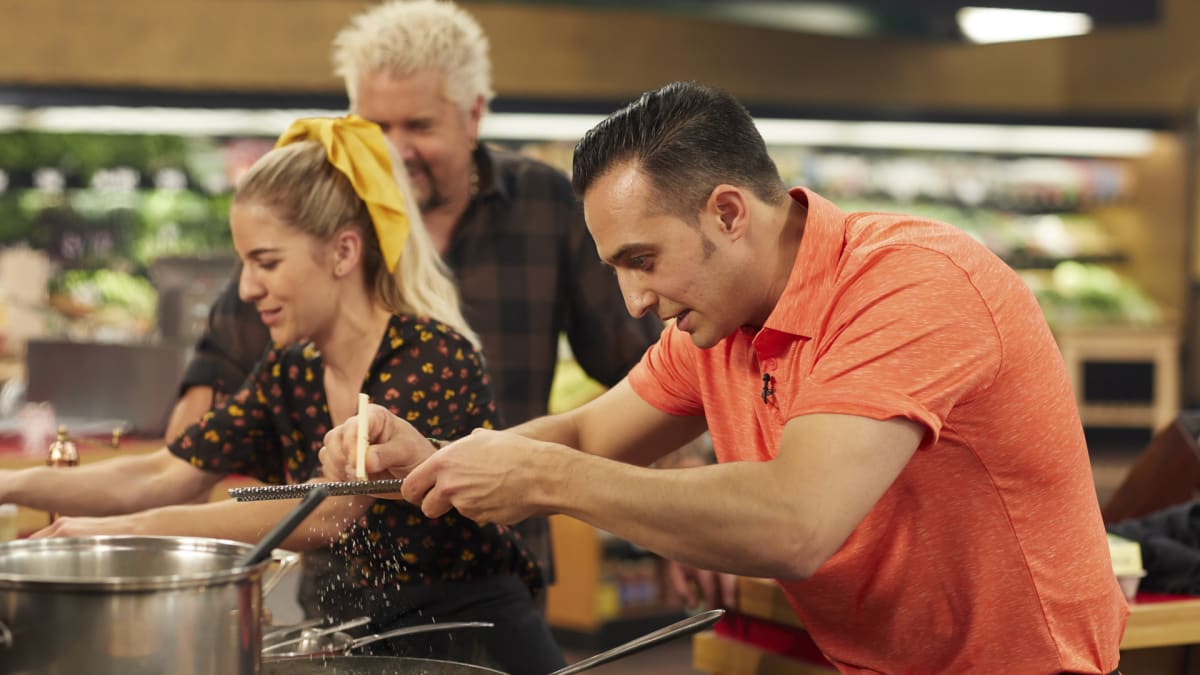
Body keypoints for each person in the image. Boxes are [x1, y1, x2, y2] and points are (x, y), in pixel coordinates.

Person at [319, 81, 1129, 673]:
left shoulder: (910, 285)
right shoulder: (715, 320)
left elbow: (796, 524)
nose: (635, 299)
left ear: (730, 212)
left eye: (643, 260)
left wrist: (548, 478)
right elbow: (586, 431)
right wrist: (439, 457)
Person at [0, 115, 564, 673]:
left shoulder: (430, 355)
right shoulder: (291, 369)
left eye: (265, 262)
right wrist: (11, 484)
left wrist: (118, 537)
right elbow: (164, 473)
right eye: (245, 264)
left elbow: (331, 509)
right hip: (359, 648)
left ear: (343, 252)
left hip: (473, 651)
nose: (246, 289)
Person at [164, 0, 661, 593]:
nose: (396, 150)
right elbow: (214, 378)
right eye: (376, 128)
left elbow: (644, 371)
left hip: (492, 568)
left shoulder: (545, 205)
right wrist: (174, 494)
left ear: (473, 114)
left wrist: (678, 516)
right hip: (347, 585)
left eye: (419, 126)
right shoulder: (328, 219)